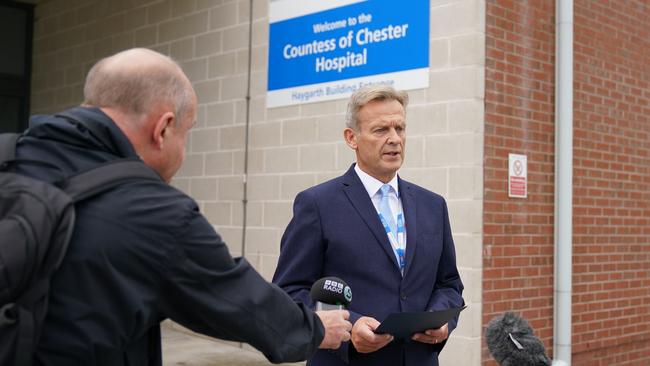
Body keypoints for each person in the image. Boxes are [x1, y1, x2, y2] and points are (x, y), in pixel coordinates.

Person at [11, 48, 352, 365]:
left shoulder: (10, 157)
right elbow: (240, 302)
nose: (184, 152)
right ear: (163, 128)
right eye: (186, 134)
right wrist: (317, 327)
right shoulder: (152, 212)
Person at [272, 85, 464, 366]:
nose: (395, 139)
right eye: (380, 130)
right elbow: (289, 293)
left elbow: (448, 284)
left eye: (400, 128)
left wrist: (442, 319)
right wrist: (352, 326)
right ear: (352, 138)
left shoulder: (433, 205)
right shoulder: (317, 204)